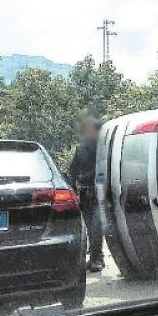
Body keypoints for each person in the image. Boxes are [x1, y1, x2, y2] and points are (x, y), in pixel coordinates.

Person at [68, 116, 104, 272]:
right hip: (85, 191)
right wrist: (73, 189)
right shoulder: (81, 149)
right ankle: (97, 258)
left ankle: (96, 258)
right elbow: (73, 171)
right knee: (89, 227)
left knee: (96, 226)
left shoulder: (104, 147)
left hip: (100, 191)